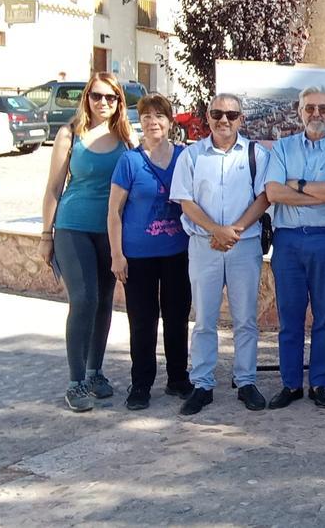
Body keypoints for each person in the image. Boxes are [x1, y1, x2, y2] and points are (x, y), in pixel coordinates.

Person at [169, 94, 271, 416]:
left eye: (231, 114)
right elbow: (186, 202)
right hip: (204, 247)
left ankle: (246, 382)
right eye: (217, 113)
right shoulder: (192, 155)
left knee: (245, 320)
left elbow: (265, 197)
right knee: (204, 321)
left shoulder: (256, 154)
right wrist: (216, 229)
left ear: (241, 119)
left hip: (244, 246)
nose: (223, 120)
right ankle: (202, 384)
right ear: (208, 117)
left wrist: (233, 230)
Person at [262, 86, 325, 410]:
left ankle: (320, 383)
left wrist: (298, 183)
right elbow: (274, 193)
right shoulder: (283, 148)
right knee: (289, 317)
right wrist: (322, 190)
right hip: (289, 240)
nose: (316, 114)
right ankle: (290, 384)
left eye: (323, 108)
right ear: (299, 111)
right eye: (310, 108)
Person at [40, 71, 133, 412]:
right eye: (97, 96)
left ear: (119, 101)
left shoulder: (125, 135)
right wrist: (46, 234)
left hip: (109, 231)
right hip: (72, 226)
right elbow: (53, 188)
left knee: (105, 301)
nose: (103, 103)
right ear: (87, 98)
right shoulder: (70, 134)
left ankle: (95, 372)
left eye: (111, 97)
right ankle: (75, 381)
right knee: (84, 299)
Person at [106, 93, 191, 411]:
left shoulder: (185, 157)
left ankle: (178, 378)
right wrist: (117, 254)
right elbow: (114, 210)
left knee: (177, 317)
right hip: (138, 255)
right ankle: (141, 383)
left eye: (159, 116)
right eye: (146, 117)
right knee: (142, 320)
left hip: (177, 251)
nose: (153, 122)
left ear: (170, 122)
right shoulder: (129, 161)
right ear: (139, 122)